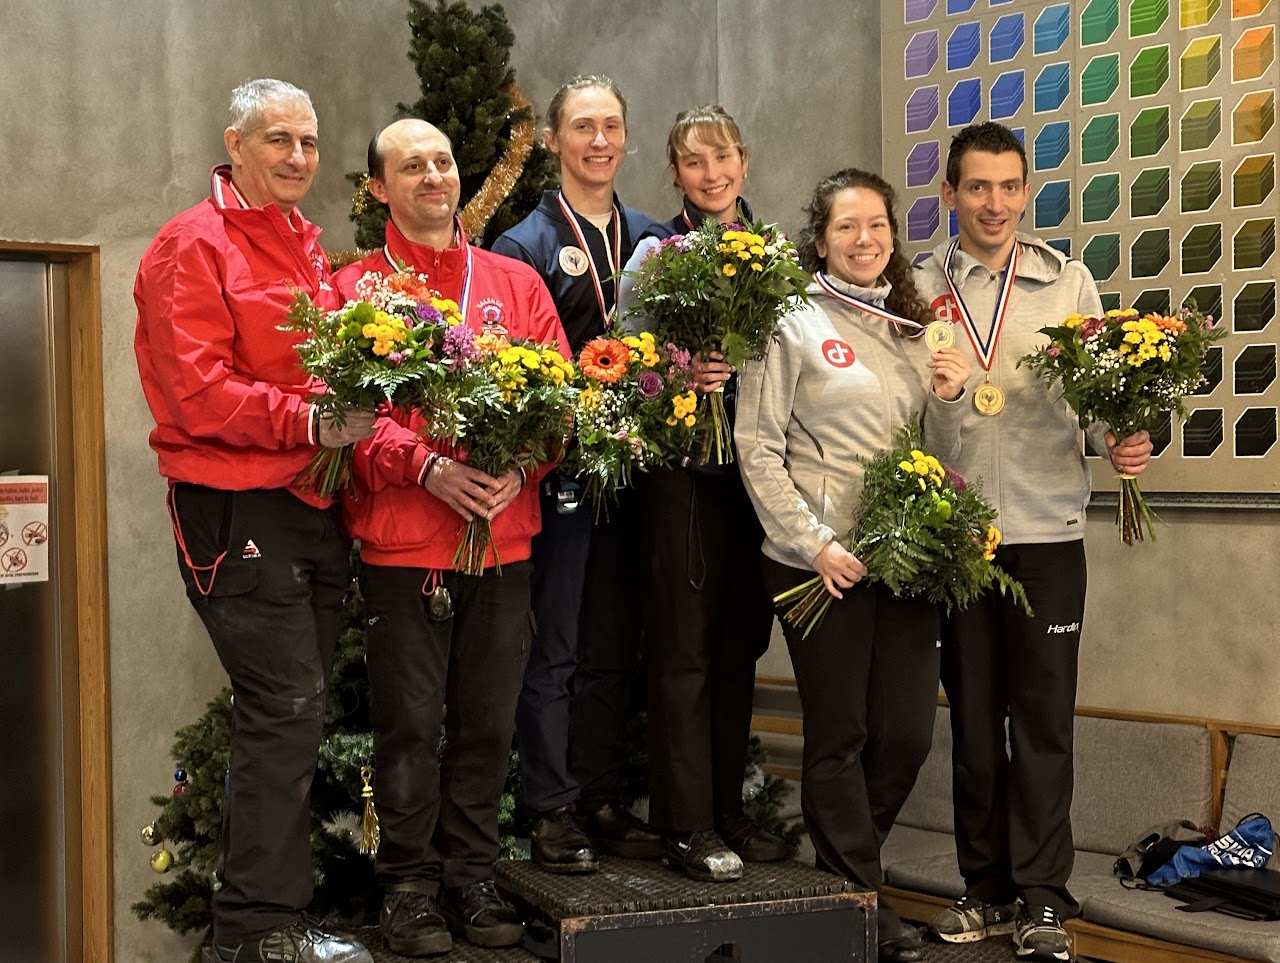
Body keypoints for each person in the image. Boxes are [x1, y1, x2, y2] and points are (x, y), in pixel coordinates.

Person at [133, 79, 376, 963]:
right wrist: (308, 420)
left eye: (308, 142)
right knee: (286, 703)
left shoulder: (303, 244)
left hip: (310, 498)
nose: (297, 158)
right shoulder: (188, 247)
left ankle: (269, 922)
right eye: (279, 140)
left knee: (294, 712)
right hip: (235, 501)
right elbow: (196, 391)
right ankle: (256, 934)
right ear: (234, 143)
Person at [915, 121, 1152, 962]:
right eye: (977, 187)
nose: (995, 203)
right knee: (976, 725)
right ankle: (983, 891)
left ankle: (1044, 899)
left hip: (1047, 533)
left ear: (1026, 190)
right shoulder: (915, 288)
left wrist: (1121, 437)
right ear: (949, 194)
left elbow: (1094, 400)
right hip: (954, 540)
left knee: (1043, 722)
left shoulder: (1066, 282)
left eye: (1010, 186)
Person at [331, 119, 568, 956]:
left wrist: (523, 466)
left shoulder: (513, 280)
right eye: (411, 165)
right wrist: (424, 468)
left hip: (504, 542)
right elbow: (346, 420)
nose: (433, 175)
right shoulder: (353, 289)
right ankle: (407, 889)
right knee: (408, 723)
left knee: (486, 721)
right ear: (377, 189)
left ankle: (471, 875)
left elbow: (560, 402)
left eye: (442, 162)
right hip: (405, 546)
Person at [735, 168, 971, 962]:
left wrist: (947, 398)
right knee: (840, 733)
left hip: (902, 558)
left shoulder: (914, 328)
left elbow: (938, 454)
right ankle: (863, 905)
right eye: (846, 227)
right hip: (817, 563)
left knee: (903, 733)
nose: (864, 239)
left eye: (877, 225)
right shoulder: (788, 320)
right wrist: (813, 542)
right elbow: (757, 445)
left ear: (894, 237)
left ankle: (839, 882)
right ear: (821, 238)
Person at [491, 75, 664, 873]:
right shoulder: (521, 247)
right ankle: (550, 806)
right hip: (561, 471)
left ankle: (599, 793)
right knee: (554, 643)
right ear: (555, 141)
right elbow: (512, 372)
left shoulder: (658, 240)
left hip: (640, 471)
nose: (599, 141)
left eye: (612, 126)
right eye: (582, 127)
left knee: (612, 644)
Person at [615, 105, 788, 882]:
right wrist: (681, 371)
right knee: (682, 650)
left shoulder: (777, 256)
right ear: (675, 172)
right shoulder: (655, 255)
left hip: (756, 480)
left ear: (744, 160)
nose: (711, 175)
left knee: (739, 646)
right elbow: (621, 365)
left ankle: (726, 807)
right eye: (692, 162)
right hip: (682, 473)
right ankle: (684, 823)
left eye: (721, 158)